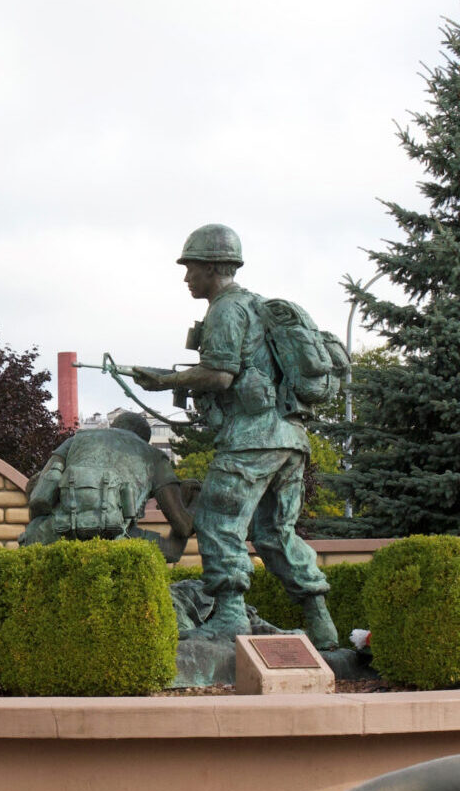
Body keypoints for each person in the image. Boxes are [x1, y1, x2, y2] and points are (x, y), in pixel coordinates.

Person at [130, 225, 338, 648]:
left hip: (252, 439)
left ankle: (229, 618)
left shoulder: (226, 309)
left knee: (214, 521)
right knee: (274, 533)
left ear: (211, 267)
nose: (186, 278)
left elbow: (220, 374)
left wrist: (164, 379)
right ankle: (323, 627)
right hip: (290, 439)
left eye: (190, 268)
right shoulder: (259, 307)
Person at [19, 410, 195, 561]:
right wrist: (192, 500)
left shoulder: (75, 440)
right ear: (145, 439)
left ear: (113, 427)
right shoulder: (155, 457)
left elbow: (40, 498)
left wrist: (38, 527)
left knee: (34, 534)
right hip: (116, 537)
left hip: (58, 531)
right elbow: (183, 526)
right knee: (172, 550)